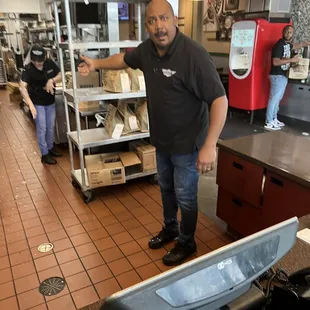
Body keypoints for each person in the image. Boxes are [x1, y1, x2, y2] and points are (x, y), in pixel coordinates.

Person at [79, 0, 228, 266]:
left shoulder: (193, 55)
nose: (159, 26)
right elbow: (123, 59)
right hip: (162, 140)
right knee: (167, 189)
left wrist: (209, 145)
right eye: (152, 21)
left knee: (186, 195)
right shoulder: (147, 51)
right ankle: (170, 228)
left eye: (163, 19)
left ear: (174, 20)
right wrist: (96, 63)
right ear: (146, 25)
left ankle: (187, 242)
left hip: (188, 143)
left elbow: (219, 99)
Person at [20, 45, 62, 165]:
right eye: (35, 61)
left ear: (44, 58)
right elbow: (22, 88)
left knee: (50, 126)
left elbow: (60, 75)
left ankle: (50, 147)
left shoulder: (49, 63)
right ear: (32, 59)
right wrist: (30, 105)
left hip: (50, 101)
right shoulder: (28, 69)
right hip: (37, 103)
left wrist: (52, 80)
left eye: (40, 61)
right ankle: (44, 154)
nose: (38, 63)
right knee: (42, 127)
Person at [265, 25, 310, 130]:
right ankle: (268, 121)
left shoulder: (287, 45)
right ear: (283, 32)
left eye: (290, 32)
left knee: (277, 99)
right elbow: (275, 62)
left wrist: (306, 43)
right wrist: (291, 60)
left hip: (283, 75)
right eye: (287, 32)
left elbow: (296, 45)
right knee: (274, 99)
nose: (288, 34)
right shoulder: (279, 45)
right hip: (277, 75)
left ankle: (273, 118)